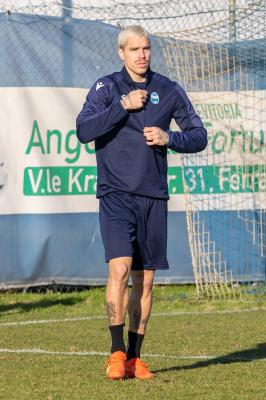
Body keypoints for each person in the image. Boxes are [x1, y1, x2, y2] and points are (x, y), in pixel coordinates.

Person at [76, 25, 207, 380]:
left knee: (145, 281)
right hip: (116, 195)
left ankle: (135, 358)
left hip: (153, 197)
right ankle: (116, 354)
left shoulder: (168, 89)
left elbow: (199, 136)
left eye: (146, 48)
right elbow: (84, 130)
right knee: (118, 269)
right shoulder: (107, 88)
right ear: (121, 53)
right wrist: (121, 107)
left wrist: (170, 137)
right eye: (134, 49)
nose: (141, 55)